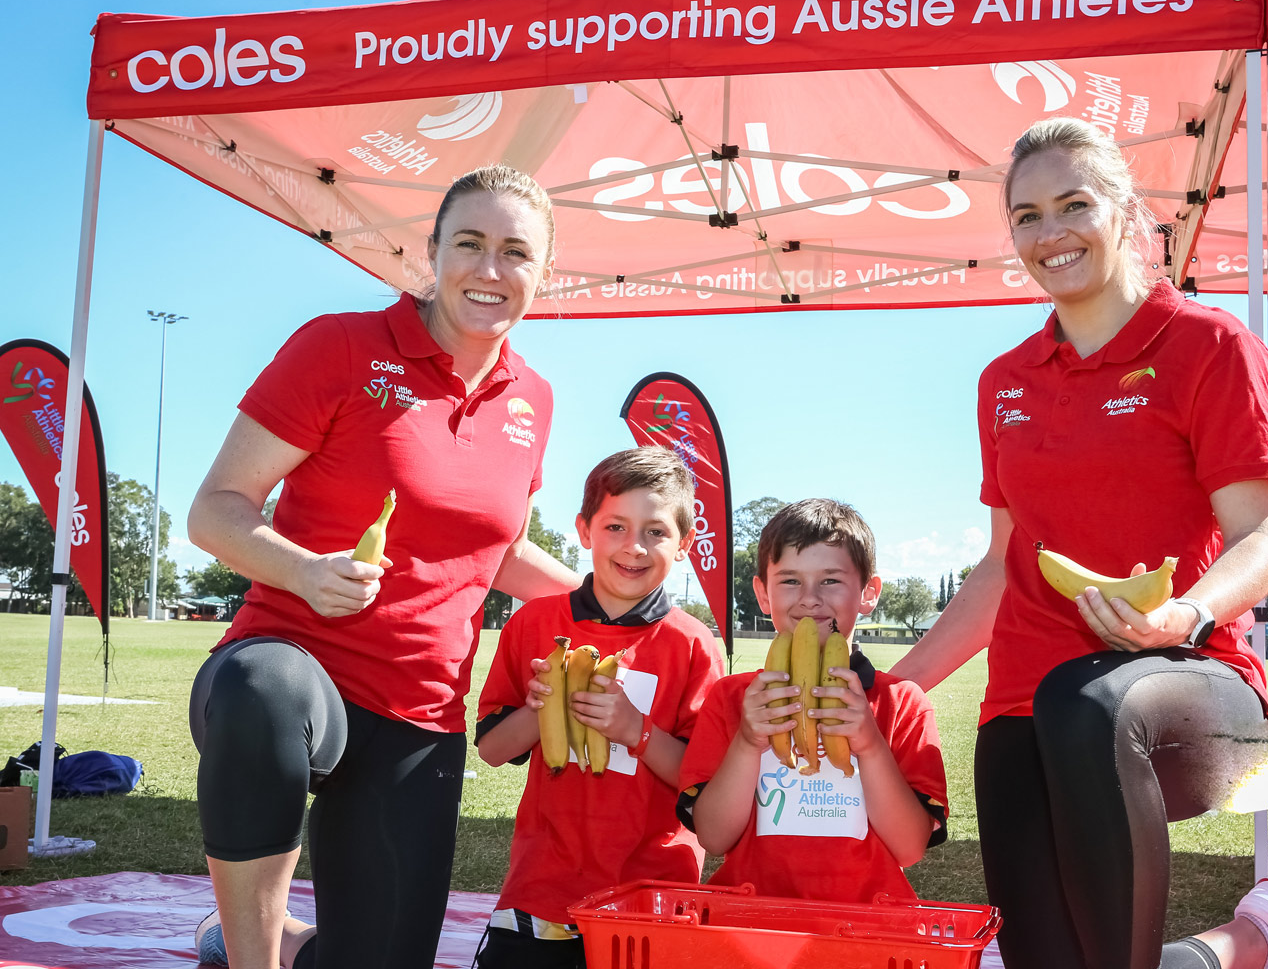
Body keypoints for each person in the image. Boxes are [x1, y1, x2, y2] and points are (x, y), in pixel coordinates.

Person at [889, 117, 1268, 969]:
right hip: (1026, 701)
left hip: (1192, 686)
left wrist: (1186, 614)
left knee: (1081, 705)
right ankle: (1258, 943)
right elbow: (1000, 568)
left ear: (1126, 214)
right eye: (1027, 216)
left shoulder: (1211, 345)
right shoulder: (1002, 382)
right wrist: (892, 687)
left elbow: (1261, 543)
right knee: (1054, 947)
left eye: (1074, 204)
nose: (1051, 234)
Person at [186, 164, 580, 969]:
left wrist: (613, 604)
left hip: (420, 715)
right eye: (469, 243)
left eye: (516, 252)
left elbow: (493, 547)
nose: (490, 269)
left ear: (543, 274)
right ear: (430, 252)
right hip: (291, 669)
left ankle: (273, 948)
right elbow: (215, 510)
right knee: (264, 693)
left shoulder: (532, 399)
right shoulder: (339, 345)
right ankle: (253, 954)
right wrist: (303, 571)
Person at [474, 446, 725, 968]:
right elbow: (494, 749)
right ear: (584, 531)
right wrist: (538, 708)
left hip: (654, 898)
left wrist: (637, 731)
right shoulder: (534, 624)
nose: (634, 547)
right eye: (615, 527)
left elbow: (709, 791)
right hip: (542, 888)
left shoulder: (695, 645)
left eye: (656, 531)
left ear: (685, 544)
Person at [679, 498, 948, 902]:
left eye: (830, 580)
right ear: (763, 594)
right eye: (789, 580)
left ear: (868, 592)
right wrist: (748, 742)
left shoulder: (902, 704)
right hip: (757, 922)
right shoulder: (732, 699)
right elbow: (714, 838)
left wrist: (871, 746)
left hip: (867, 925)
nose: (809, 598)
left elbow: (909, 848)